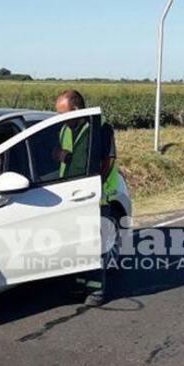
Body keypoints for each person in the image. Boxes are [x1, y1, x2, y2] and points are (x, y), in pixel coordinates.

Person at [53, 90, 119, 307]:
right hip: (69, 197)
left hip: (94, 197)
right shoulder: (65, 129)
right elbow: (70, 158)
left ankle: (96, 290)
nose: (60, 118)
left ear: (76, 110)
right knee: (75, 244)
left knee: (92, 246)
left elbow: (108, 160)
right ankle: (79, 284)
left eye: (62, 113)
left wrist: (95, 186)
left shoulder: (100, 128)